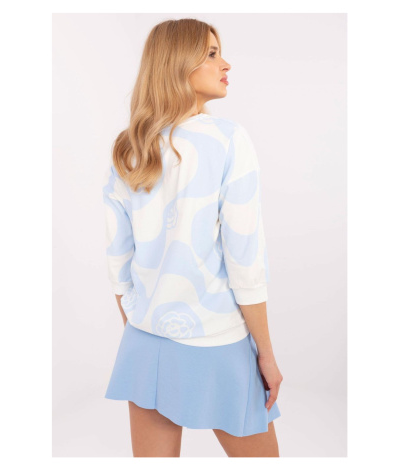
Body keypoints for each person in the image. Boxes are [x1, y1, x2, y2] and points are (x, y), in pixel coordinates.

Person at [102, 18, 283, 457]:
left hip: (144, 343)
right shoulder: (228, 140)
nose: (226, 64)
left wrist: (144, 325)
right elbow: (244, 261)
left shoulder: (130, 147)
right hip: (216, 341)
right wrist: (265, 354)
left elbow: (118, 263)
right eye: (212, 54)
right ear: (178, 63)